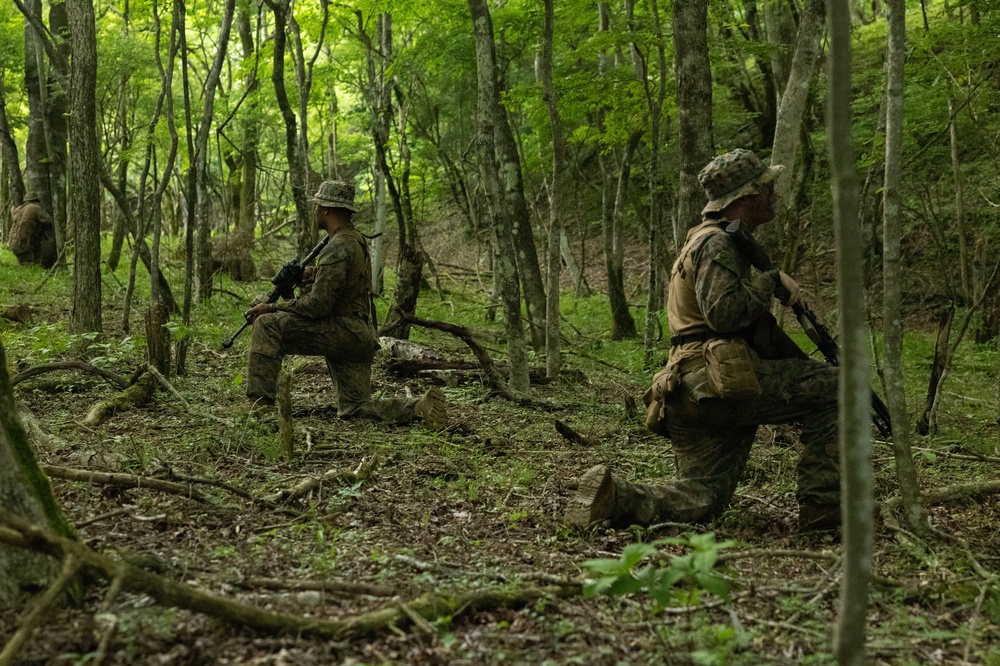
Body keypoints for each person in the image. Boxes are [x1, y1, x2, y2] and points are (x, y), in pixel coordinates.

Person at [566, 149, 840, 532]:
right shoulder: (716, 244)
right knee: (841, 389)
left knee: (702, 496)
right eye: (766, 187)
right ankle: (825, 512)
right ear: (745, 198)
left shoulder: (702, 241)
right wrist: (771, 281)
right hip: (713, 382)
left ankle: (617, 498)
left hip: (689, 387)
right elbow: (723, 315)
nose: (773, 194)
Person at [243, 180, 447, 428]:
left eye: (318, 205)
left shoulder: (337, 247)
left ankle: (260, 413)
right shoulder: (355, 240)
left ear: (327, 209)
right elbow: (342, 286)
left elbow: (317, 307)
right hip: (359, 336)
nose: (315, 210)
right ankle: (418, 407)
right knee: (355, 407)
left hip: (342, 333)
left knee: (266, 324)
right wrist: (313, 275)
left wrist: (272, 307)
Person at [8, 194, 57, 269]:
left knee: (24, 264)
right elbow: (48, 221)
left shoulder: (18, 209)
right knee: (29, 267)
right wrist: (41, 230)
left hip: (14, 242)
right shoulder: (35, 208)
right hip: (24, 243)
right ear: (36, 201)